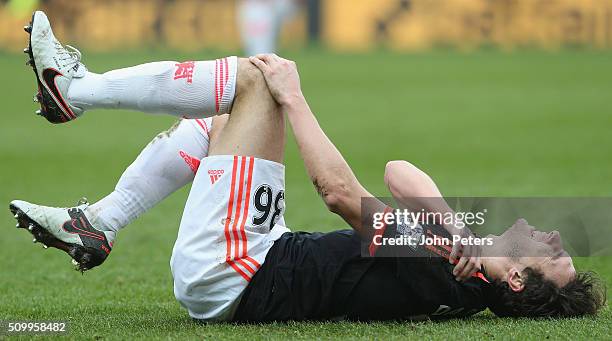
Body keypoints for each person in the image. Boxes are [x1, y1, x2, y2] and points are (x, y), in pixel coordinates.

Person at [11, 11, 605, 321]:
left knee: (257, 81)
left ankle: (74, 90)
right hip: (261, 255)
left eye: (551, 254)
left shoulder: (445, 271)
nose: (554, 235)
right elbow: (401, 172)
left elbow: (339, 192)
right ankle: (101, 221)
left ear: (520, 280)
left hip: (237, 272)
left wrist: (294, 98)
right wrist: (451, 225)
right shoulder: (463, 259)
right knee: (221, 123)